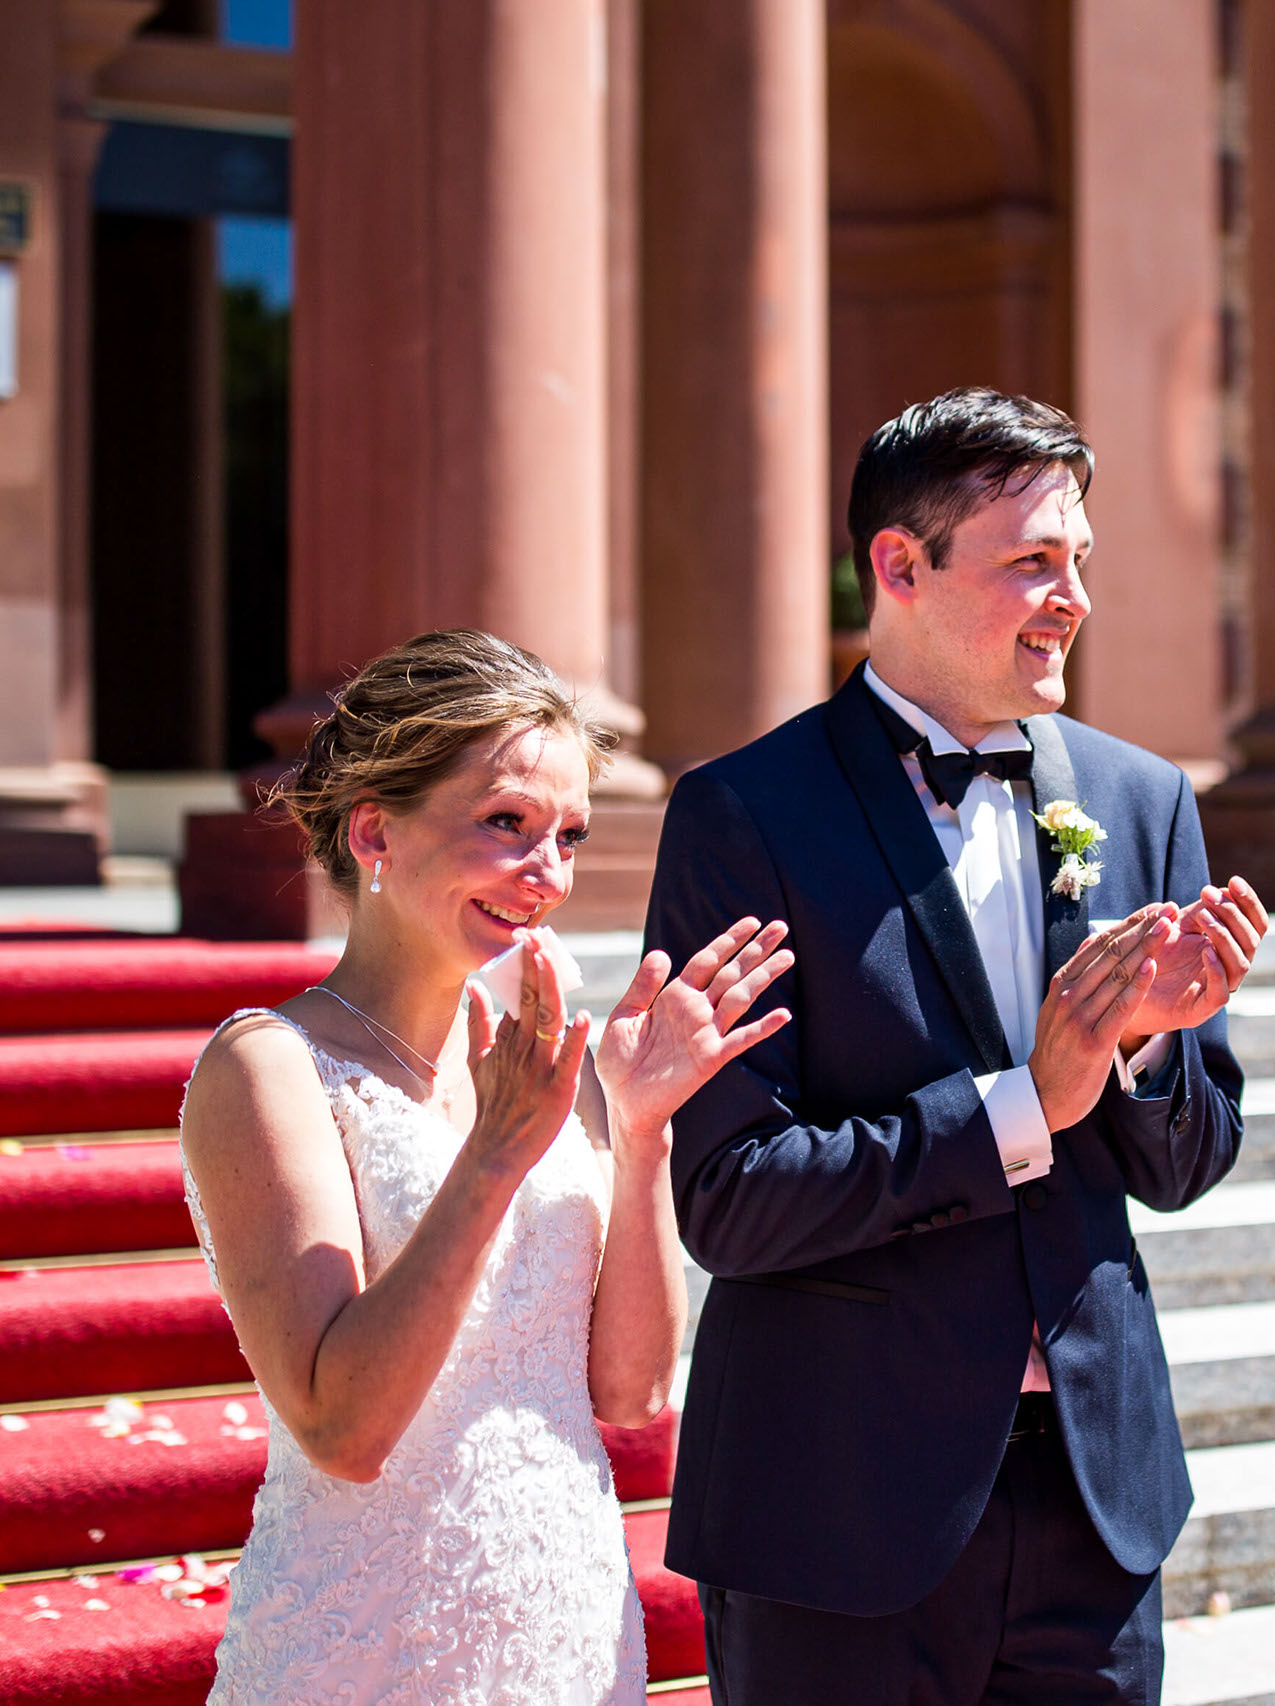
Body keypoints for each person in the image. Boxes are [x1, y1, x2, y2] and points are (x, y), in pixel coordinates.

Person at [645, 388, 1271, 1705]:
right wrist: (1022, 1104)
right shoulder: (741, 815)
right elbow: (732, 1197)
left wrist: (1151, 1056)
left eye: (1081, 561)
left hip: (1097, 1497)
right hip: (841, 1502)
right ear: (898, 565)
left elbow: (1187, 1161)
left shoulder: (1143, 799)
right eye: (1034, 561)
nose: (1074, 599)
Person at [180, 628, 793, 1705]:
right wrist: (495, 1154)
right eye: (505, 823)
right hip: (369, 1644)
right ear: (374, 829)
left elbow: (632, 1390)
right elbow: (345, 1427)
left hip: (566, 1612)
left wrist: (641, 1128)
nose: (546, 873)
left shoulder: (541, 1055)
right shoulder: (267, 1067)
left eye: (566, 834)